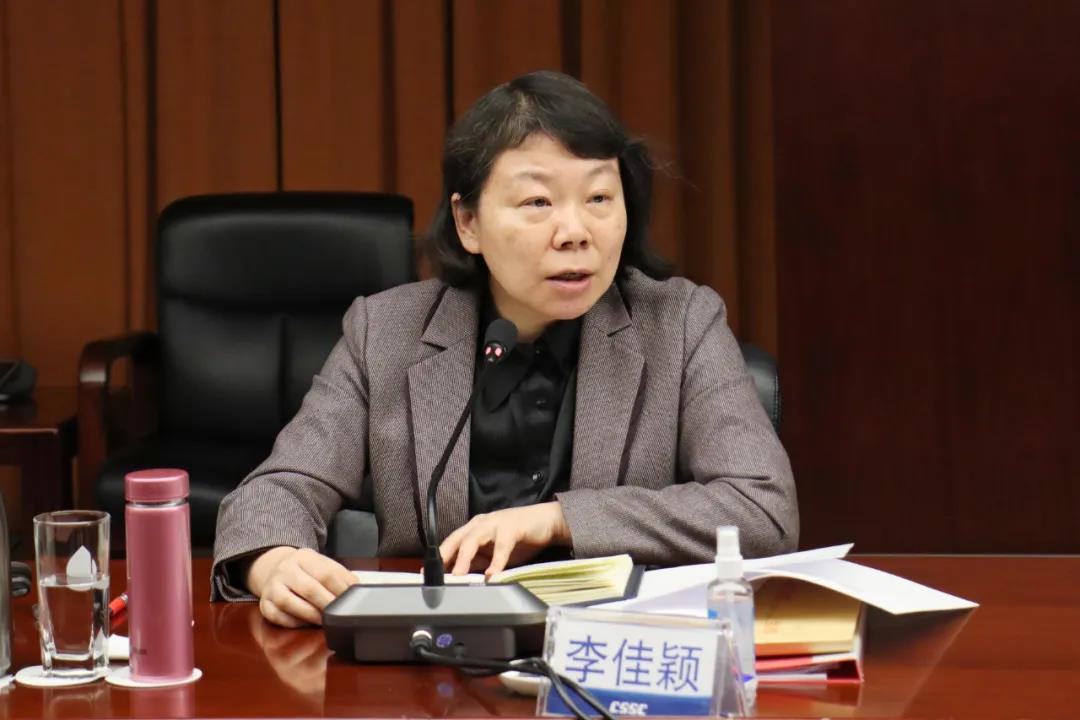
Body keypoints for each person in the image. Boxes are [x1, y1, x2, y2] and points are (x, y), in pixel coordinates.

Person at [211, 70, 798, 628]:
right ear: (468, 222)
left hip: (609, 646)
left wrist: (560, 520)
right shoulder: (387, 332)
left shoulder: (681, 324)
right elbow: (276, 490)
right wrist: (272, 560)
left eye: (599, 198)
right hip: (432, 655)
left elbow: (762, 509)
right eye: (538, 203)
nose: (575, 232)